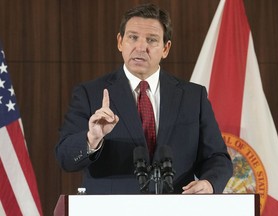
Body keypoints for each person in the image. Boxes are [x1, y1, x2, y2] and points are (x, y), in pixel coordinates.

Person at [55, 3, 232, 194]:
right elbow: (65, 157)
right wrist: (92, 139)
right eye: (133, 38)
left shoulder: (193, 97)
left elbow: (217, 157)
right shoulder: (90, 93)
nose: (141, 47)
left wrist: (209, 183)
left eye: (152, 40)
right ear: (120, 42)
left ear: (166, 48)